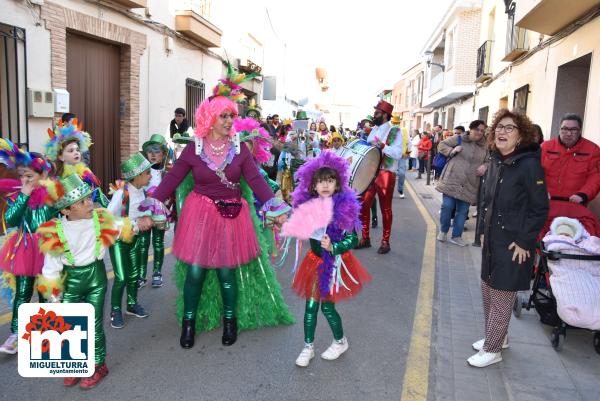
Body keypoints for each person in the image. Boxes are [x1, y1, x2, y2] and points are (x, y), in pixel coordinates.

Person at [139, 65, 291, 349]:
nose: (229, 120)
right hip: (200, 215)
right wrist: (154, 202)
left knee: (225, 271)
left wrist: (275, 207)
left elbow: (256, 180)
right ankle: (188, 323)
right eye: (224, 115)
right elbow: (172, 178)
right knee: (195, 271)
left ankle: (230, 321)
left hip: (233, 215)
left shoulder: (239, 148)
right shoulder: (194, 148)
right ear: (210, 117)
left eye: (232, 116)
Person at [36, 174, 134, 388]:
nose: (90, 202)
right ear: (66, 210)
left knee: (93, 325)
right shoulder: (55, 230)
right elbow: (51, 267)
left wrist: (137, 224)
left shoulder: (100, 219)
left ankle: (99, 365)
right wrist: (54, 297)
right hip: (70, 282)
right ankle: (76, 364)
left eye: (90, 198)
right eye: (82, 201)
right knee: (69, 326)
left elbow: (121, 226)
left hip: (95, 280)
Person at [468, 109, 548, 367]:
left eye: (509, 128)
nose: (502, 131)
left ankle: (493, 350)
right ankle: (498, 338)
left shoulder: (529, 165)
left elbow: (539, 208)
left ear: (521, 135)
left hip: (515, 244)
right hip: (492, 239)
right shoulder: (495, 160)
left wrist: (525, 241)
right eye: (499, 127)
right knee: (488, 290)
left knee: (502, 295)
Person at [281, 152, 371, 367]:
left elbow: (353, 238)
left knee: (327, 308)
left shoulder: (343, 207)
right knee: (310, 306)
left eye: (330, 181)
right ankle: (308, 347)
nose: (325, 185)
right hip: (314, 261)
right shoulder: (309, 205)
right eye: (320, 181)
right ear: (313, 185)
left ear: (337, 184)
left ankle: (340, 341)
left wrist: (334, 246)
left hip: (335, 264)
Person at [0, 140, 54, 355]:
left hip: (47, 250)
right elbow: (10, 220)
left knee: (44, 291)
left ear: (42, 176)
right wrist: (23, 195)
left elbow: (60, 218)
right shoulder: (17, 196)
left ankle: (44, 331)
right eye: (22, 175)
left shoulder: (51, 196)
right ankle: (16, 333)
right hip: (25, 249)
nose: (25, 180)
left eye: (29, 176)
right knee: (22, 292)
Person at [107, 152, 154, 328]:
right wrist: (133, 224)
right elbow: (108, 218)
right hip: (119, 242)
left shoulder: (142, 191)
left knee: (134, 275)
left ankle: (132, 304)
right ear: (137, 176)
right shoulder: (122, 194)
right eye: (147, 173)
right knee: (121, 277)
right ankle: (115, 310)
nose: (150, 176)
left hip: (135, 240)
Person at [540, 113, 600, 236]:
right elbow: (535, 173)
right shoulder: (545, 147)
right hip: (546, 204)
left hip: (575, 206)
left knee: (579, 239)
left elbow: (595, 177)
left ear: (580, 131)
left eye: (573, 130)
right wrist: (540, 189)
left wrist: (583, 194)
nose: (568, 133)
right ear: (559, 129)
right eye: (565, 129)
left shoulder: (592, 150)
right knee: (539, 241)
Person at [356, 100, 404, 254]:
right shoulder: (374, 129)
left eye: (377, 113)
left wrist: (383, 146)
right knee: (364, 204)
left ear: (384, 115)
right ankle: (365, 238)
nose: (374, 115)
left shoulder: (395, 131)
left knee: (385, 209)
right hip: (369, 172)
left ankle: (385, 242)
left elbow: (398, 154)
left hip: (386, 172)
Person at [435, 120, 487, 246]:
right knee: (447, 206)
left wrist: (485, 166)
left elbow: (489, 160)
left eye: (482, 130)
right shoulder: (459, 138)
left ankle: (457, 236)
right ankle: (443, 230)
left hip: (470, 182)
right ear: (471, 129)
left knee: (463, 211)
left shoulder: (485, 145)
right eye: (477, 129)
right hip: (452, 178)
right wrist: (452, 151)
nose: (479, 132)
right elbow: (441, 145)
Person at [45, 121, 108, 206]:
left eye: (77, 150)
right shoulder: (56, 179)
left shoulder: (87, 174)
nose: (76, 153)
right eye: (71, 150)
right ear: (61, 157)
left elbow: (99, 198)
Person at [140, 134, 174, 288]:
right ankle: (141, 275)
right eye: (150, 151)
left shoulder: (168, 173)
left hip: (160, 212)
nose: (153, 154)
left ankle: (157, 273)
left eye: (157, 150)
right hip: (143, 213)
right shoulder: (141, 171)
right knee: (143, 243)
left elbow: (172, 193)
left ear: (163, 154)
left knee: (158, 243)